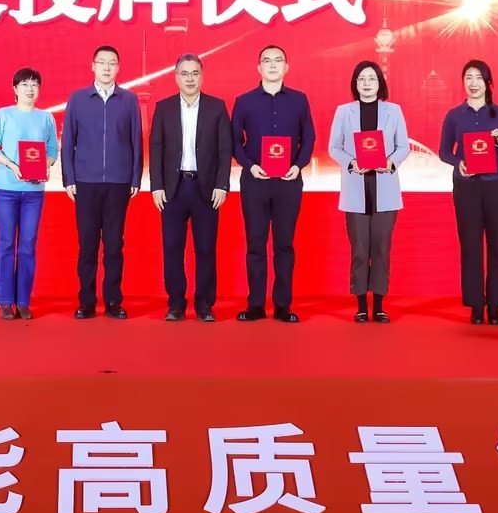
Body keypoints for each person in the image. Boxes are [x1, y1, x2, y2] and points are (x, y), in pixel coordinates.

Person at [230, 45, 316, 323]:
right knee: (255, 244)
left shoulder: (299, 100)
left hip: (288, 182)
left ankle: (282, 306)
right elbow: (234, 142)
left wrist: (297, 165)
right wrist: (250, 166)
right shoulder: (244, 101)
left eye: (278, 60)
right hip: (255, 181)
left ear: (286, 67)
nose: (272, 65)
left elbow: (309, 138)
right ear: (259, 68)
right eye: (266, 60)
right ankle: (255, 304)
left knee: (284, 245)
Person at [149, 54, 232, 322]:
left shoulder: (217, 107)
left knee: (206, 249)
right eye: (184, 73)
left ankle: (205, 305)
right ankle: (175, 304)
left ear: (202, 76)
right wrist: (156, 186)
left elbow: (225, 149)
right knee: (172, 248)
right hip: (172, 190)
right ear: (176, 77)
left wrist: (222, 184)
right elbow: (156, 147)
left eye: (195, 73)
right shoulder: (164, 108)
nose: (190, 78)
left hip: (206, 189)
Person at [61, 44, 142, 319]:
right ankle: (86, 302)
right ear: (93, 66)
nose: (107, 67)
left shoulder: (129, 100)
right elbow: (68, 141)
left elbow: (136, 140)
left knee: (114, 244)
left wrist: (135, 176)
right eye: (102, 62)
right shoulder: (78, 99)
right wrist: (69, 178)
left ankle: (113, 301)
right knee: (87, 245)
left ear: (118, 68)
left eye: (112, 63)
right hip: (85, 182)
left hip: (119, 182)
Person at [438, 58, 498, 325]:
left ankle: (495, 304)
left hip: (497, 185)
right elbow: (443, 152)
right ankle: (475, 304)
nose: (473, 83)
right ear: (463, 82)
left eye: (478, 78)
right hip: (467, 187)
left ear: (488, 82)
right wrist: (458, 163)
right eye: (468, 78)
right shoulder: (454, 115)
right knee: (470, 246)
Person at [326, 60, 409, 323]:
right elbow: (334, 147)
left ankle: (380, 305)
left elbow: (403, 146)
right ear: (355, 83)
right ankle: (361, 304)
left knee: (381, 249)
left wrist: (390, 163)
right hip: (356, 186)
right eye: (361, 79)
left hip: (385, 186)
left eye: (371, 78)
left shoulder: (393, 111)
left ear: (380, 83)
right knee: (360, 249)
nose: (366, 83)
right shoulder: (344, 112)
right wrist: (351, 162)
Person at [0, 68, 60, 320]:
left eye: (35, 84)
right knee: (6, 243)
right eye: (25, 84)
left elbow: (52, 150)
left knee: (28, 244)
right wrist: (11, 165)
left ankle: (23, 301)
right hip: (6, 189)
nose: (30, 88)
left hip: (34, 192)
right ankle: (5, 301)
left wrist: (45, 166)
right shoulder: (3, 114)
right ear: (15, 89)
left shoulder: (46, 118)